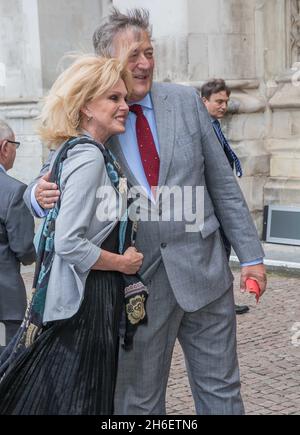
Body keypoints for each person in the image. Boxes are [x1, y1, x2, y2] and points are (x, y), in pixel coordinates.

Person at [24, 9, 267, 415]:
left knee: (223, 393)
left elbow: (223, 184)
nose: (145, 63)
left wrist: (253, 257)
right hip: (136, 288)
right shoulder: (93, 114)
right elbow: (49, 173)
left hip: (205, 275)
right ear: (108, 63)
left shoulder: (186, 101)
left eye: (149, 52)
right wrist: (37, 195)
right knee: (137, 402)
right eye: (134, 54)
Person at [0, 55, 144, 415]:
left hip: (83, 297)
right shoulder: (89, 156)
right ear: (85, 107)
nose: (125, 106)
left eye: (124, 98)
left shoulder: (77, 149)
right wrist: (123, 263)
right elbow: (69, 242)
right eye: (113, 98)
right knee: (82, 399)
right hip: (86, 301)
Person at [201, 79, 250, 315]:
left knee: (223, 251)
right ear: (204, 101)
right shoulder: (204, 129)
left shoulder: (214, 127)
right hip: (210, 205)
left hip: (220, 203)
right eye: (219, 101)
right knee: (218, 253)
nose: (224, 106)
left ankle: (223, 301)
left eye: (226, 101)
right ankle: (219, 303)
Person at [0, 120, 36, 355]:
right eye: (15, 145)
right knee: (5, 365)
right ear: (4, 147)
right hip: (4, 303)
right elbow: (23, 249)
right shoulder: (13, 191)